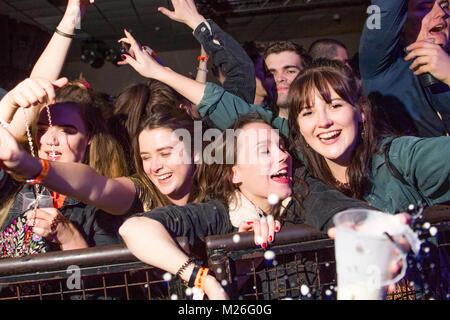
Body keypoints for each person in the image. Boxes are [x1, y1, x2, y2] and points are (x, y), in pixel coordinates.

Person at [119, 113, 375, 300]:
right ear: (235, 173)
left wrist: (373, 231)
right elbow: (134, 228)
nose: (283, 156)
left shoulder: (301, 189)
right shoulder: (218, 213)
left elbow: (340, 211)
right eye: (265, 151)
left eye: (282, 147)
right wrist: (205, 278)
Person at [288, 59, 450, 213]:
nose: (323, 122)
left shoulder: (400, 157)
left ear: (361, 112)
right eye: (308, 113)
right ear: (299, 127)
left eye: (335, 106)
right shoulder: (300, 171)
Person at [0, 78, 124, 257]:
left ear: (89, 136)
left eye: (66, 130)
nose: (51, 141)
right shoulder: (17, 183)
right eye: (42, 130)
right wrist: (10, 101)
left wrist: (69, 236)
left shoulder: (107, 202)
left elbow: (110, 279)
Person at [359, 0, 450, 137]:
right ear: (401, 21)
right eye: (424, 7)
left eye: (445, 6)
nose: (442, 13)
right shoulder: (379, 62)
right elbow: (386, 9)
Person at [263, 41, 312, 119]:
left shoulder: (325, 122)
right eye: (270, 74)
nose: (279, 78)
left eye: (290, 71)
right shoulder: (256, 125)